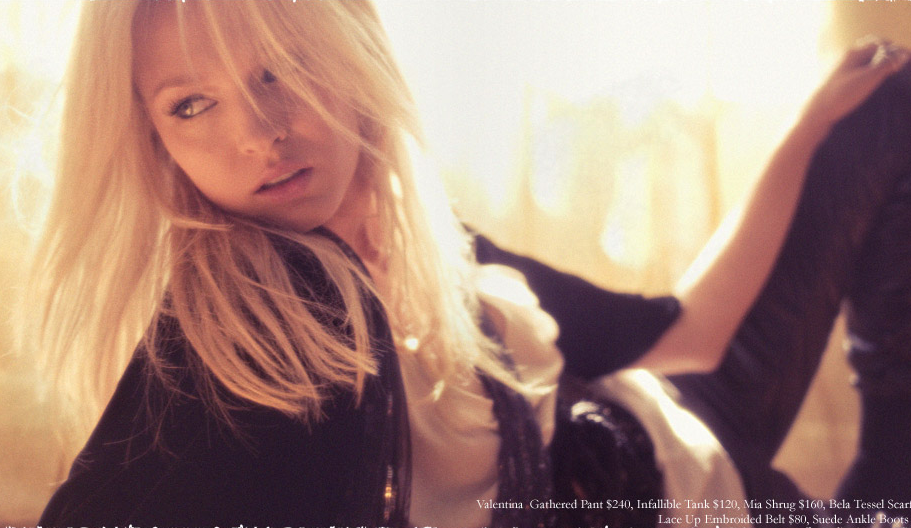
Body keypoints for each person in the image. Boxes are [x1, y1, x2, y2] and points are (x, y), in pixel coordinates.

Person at [27, 1, 911, 527]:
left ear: (351, 48)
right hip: (697, 504)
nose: (261, 135)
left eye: (281, 68)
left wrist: (806, 132)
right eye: (191, 105)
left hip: (680, 414)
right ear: (154, 141)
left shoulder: (424, 232)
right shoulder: (263, 312)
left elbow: (690, 335)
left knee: (887, 103)